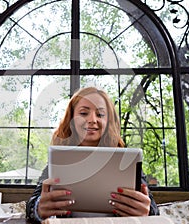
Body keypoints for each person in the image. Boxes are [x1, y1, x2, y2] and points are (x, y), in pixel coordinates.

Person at [26, 87, 159, 223]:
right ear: (71, 119)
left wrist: (146, 212)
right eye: (83, 113)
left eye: (100, 115)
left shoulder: (126, 160)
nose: (92, 120)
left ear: (108, 121)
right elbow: (32, 204)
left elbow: (153, 209)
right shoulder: (60, 160)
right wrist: (39, 208)